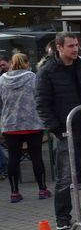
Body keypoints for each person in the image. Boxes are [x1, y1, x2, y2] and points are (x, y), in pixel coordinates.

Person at [36, 31, 81, 230]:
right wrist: (56, 128)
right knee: (65, 175)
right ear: (59, 47)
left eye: (76, 45)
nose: (75, 49)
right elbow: (42, 104)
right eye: (70, 46)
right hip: (65, 130)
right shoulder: (47, 71)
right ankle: (63, 217)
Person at [0, 54, 51, 203]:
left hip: (10, 125)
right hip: (32, 124)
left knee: (13, 159)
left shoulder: (2, 80)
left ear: (12, 64)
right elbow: (41, 97)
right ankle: (42, 189)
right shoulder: (33, 78)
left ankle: (14, 192)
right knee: (36, 157)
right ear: (27, 63)